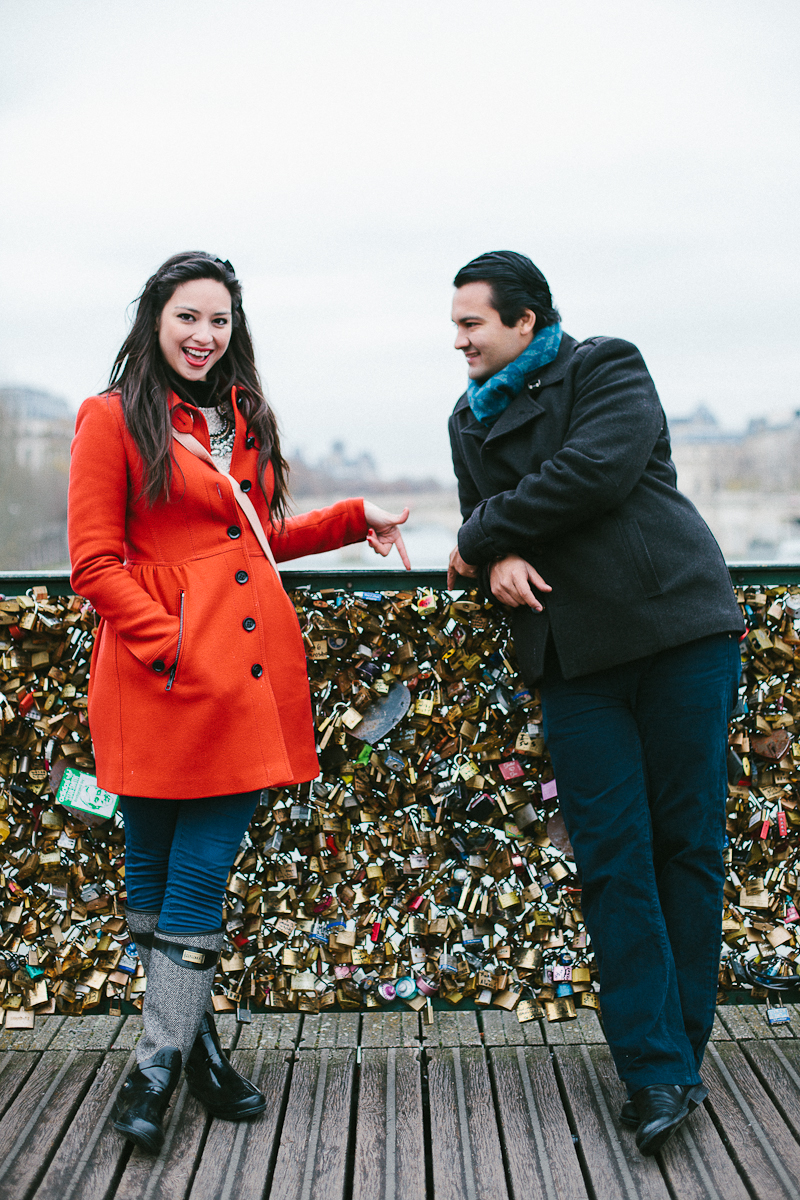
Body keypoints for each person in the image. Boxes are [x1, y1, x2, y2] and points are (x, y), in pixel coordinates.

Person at [68, 251, 410, 1153]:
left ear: (234, 330)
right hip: (159, 679)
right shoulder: (110, 420)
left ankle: (154, 1069)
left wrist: (346, 522)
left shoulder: (242, 419)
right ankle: (202, 1053)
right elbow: (94, 565)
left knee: (195, 875)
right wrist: (174, 645)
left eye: (218, 321)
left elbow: (248, 544)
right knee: (151, 873)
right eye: (188, 317)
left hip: (241, 686)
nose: (203, 335)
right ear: (155, 320)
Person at [446, 250, 743, 1156]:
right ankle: (655, 1071)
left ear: (525, 321)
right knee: (614, 856)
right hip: (572, 658)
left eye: (471, 324)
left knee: (686, 844)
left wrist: (479, 536)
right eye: (454, 325)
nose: (457, 340)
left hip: (677, 631)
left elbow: (595, 473)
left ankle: (678, 1056)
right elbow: (489, 515)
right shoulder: (468, 419)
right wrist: (491, 556)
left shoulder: (607, 365)